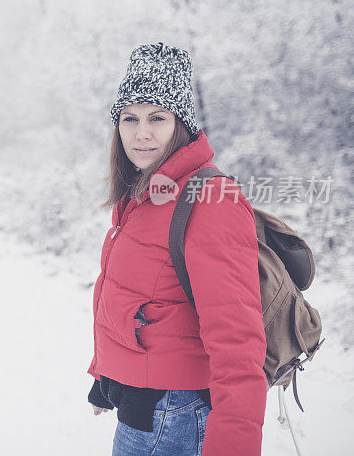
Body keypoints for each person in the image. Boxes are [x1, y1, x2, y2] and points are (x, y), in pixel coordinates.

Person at [87, 42, 267, 456]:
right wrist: (105, 378)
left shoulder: (210, 199)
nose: (141, 132)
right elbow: (129, 295)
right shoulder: (144, 192)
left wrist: (234, 446)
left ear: (180, 124)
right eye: (129, 118)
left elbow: (237, 340)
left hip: (177, 414)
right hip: (143, 405)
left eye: (157, 118)